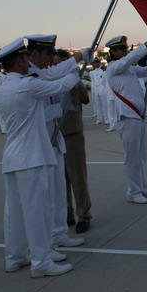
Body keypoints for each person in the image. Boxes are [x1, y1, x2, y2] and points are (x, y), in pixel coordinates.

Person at [0, 38, 79, 278]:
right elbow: (63, 84)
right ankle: (41, 263)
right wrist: (78, 67)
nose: (28, 63)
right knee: (37, 212)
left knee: (15, 213)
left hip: (13, 158)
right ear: (20, 60)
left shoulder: (4, 88)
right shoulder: (26, 86)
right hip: (32, 158)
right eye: (26, 58)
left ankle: (15, 257)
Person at [24, 34, 87, 249]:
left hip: (54, 139)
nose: (50, 58)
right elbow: (59, 82)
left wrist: (79, 58)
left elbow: (56, 73)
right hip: (42, 141)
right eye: (48, 53)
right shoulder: (29, 75)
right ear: (34, 53)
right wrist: (77, 67)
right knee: (49, 195)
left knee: (59, 190)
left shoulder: (40, 71)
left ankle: (59, 233)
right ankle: (50, 239)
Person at [105, 35, 147, 204]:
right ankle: (133, 192)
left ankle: (141, 188)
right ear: (113, 52)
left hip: (137, 117)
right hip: (127, 117)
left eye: (125, 49)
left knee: (141, 156)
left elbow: (145, 72)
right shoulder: (114, 68)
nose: (124, 51)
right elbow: (130, 59)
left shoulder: (128, 69)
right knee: (132, 158)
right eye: (121, 49)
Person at [53, 49, 93, 234]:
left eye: (61, 63)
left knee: (78, 178)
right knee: (61, 181)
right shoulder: (49, 81)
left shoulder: (74, 79)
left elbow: (85, 100)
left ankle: (84, 214)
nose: (57, 66)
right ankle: (67, 213)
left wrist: (77, 86)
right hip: (56, 135)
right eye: (55, 64)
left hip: (72, 134)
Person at [90, 58, 109, 125]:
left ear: (99, 63)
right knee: (97, 105)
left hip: (102, 89)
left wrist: (104, 88)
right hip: (96, 90)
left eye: (97, 62)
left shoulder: (103, 71)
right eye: (94, 62)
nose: (95, 64)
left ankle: (106, 119)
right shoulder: (91, 72)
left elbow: (105, 81)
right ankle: (99, 119)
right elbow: (93, 82)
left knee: (104, 105)